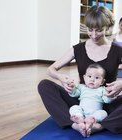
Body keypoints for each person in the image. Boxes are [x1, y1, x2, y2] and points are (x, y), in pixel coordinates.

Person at [38, 5, 122, 137]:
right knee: (44, 85)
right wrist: (60, 77)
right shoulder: (77, 49)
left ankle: (99, 126)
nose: (94, 35)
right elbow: (51, 69)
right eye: (90, 30)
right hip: (81, 101)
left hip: (107, 102)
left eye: (99, 30)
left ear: (107, 27)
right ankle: (76, 124)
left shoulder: (117, 50)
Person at [69, 63, 112, 137]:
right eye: (89, 76)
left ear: (102, 82)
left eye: (97, 78)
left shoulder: (102, 90)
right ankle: (79, 118)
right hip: (81, 111)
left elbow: (106, 100)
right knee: (74, 107)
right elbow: (75, 93)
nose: (92, 79)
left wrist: (109, 95)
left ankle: (91, 120)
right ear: (84, 78)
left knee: (104, 113)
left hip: (95, 113)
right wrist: (72, 89)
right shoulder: (82, 87)